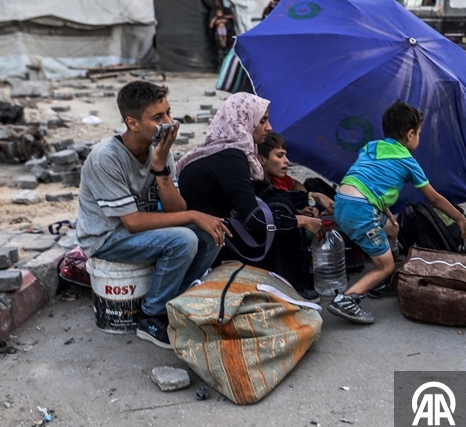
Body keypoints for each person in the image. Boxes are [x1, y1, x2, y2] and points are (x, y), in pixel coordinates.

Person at [76, 81, 230, 349]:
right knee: (184, 239)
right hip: (106, 238)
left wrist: (160, 169)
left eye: (169, 113)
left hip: (135, 233)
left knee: (209, 233)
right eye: (158, 117)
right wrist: (194, 215)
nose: (169, 123)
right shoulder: (106, 157)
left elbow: (176, 211)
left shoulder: (159, 151)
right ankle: (151, 316)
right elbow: (134, 223)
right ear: (133, 123)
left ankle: (176, 304)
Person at [328, 100, 466, 325]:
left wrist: (382, 207)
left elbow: (366, 178)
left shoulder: (371, 147)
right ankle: (346, 299)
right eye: (420, 133)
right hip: (362, 210)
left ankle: (384, 280)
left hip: (343, 202)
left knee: (392, 226)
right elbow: (434, 198)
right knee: (386, 266)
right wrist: (460, 218)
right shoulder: (407, 161)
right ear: (411, 134)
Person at [176, 94, 324, 299]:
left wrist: (309, 198)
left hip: (220, 229)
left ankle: (294, 286)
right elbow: (253, 220)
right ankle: (287, 288)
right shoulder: (231, 157)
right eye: (262, 120)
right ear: (244, 121)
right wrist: (299, 221)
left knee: (281, 207)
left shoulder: (231, 152)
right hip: (211, 239)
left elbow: (263, 191)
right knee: (281, 213)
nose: (269, 127)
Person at [258, 132, 335, 216]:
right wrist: (312, 197)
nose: (286, 160)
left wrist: (306, 205)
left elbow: (295, 184)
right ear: (262, 160)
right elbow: (280, 198)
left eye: (285, 155)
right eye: (280, 156)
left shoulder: (279, 179)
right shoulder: (258, 189)